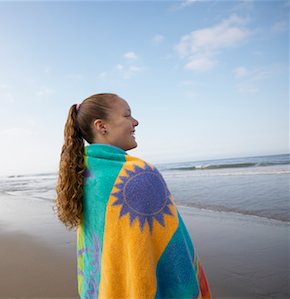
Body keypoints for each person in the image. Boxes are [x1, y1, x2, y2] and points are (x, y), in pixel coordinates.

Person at [55, 93, 211, 299]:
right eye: (127, 115)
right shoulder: (139, 175)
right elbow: (174, 251)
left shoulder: (82, 174)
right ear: (102, 126)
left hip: (105, 290)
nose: (135, 122)